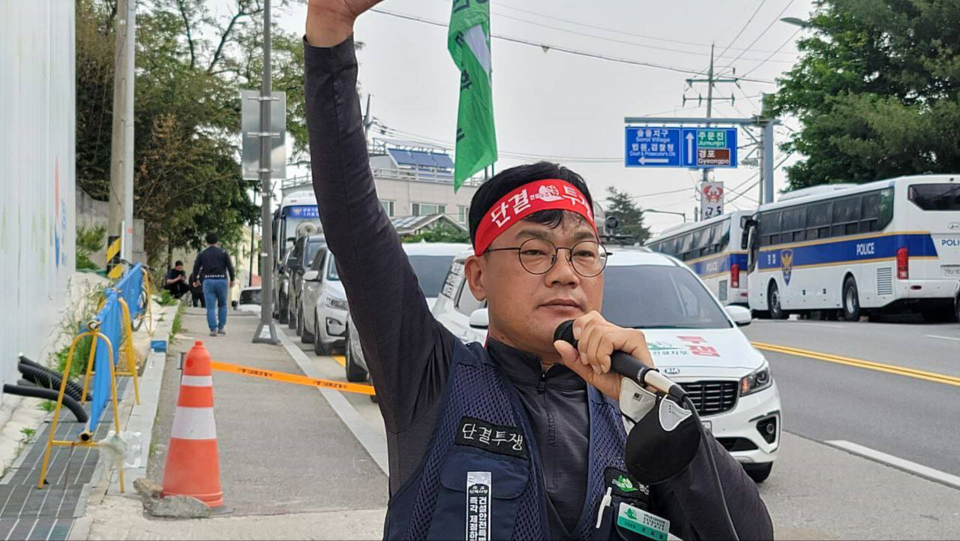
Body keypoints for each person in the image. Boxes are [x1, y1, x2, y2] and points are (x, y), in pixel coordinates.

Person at [304, 2, 773, 540]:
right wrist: (330, 33)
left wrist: (662, 409)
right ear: (478, 278)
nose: (564, 274)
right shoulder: (431, 378)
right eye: (534, 251)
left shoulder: (633, 414)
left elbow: (750, 535)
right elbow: (354, 223)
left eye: (583, 252)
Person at [192, 233, 236, 336]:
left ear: (206, 242)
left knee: (210, 307)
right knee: (222, 305)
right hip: (222, 281)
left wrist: (195, 279)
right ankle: (221, 327)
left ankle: (213, 329)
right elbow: (230, 267)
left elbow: (196, 268)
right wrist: (232, 279)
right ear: (218, 242)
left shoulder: (202, 254)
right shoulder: (224, 252)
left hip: (208, 281)